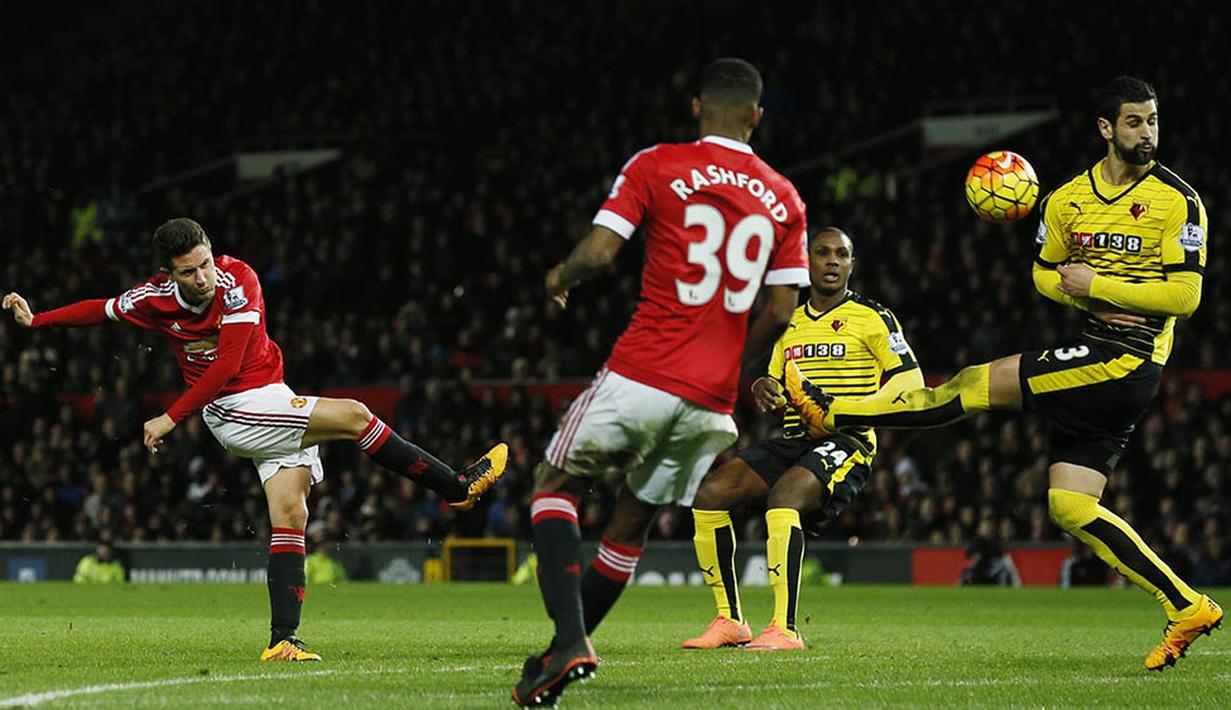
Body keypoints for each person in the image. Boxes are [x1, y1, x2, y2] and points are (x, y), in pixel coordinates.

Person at [785, 76, 1221, 671]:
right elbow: (1044, 273)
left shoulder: (1180, 200)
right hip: (1094, 349)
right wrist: (1078, 293)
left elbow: (1188, 296)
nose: (1148, 133)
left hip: (1130, 359)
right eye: (1134, 122)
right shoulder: (1066, 199)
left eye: (1152, 121)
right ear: (1106, 129)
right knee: (1070, 506)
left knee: (967, 385)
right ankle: (1186, 604)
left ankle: (836, 413)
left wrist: (1098, 284)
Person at [3, 218, 507, 661]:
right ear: (167, 274)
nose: (202, 278)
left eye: (203, 263)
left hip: (268, 395)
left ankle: (282, 639)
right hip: (234, 411)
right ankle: (455, 487)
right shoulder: (154, 300)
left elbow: (227, 360)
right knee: (356, 416)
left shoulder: (238, 279)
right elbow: (103, 309)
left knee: (290, 515)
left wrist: (171, 416)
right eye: (187, 271)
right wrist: (37, 320)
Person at [512, 57, 809, 706]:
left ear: (697, 107)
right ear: (756, 117)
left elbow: (597, 253)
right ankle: (559, 656)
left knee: (553, 485)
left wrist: (557, 280)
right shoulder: (785, 197)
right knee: (631, 521)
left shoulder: (658, 164)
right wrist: (734, 368)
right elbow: (782, 310)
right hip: (711, 405)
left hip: (644, 368)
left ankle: (569, 641)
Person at [682, 228, 923, 651]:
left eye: (842, 254)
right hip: (794, 439)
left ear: (852, 265)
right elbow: (774, 380)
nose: (832, 261)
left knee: (786, 495)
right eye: (823, 253)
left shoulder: (873, 317)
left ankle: (784, 628)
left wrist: (849, 408)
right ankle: (731, 620)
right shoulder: (788, 322)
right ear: (806, 262)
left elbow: (911, 381)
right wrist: (762, 387)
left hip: (847, 440)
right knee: (711, 493)